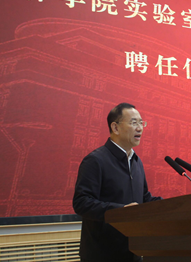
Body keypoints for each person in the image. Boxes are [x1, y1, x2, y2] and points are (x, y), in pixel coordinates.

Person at [73, 102, 161, 262]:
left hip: (133, 252)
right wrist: (120, 212)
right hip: (102, 255)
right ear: (115, 127)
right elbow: (81, 203)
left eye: (141, 123)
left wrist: (174, 205)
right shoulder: (95, 160)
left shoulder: (136, 161)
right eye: (134, 123)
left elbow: (144, 199)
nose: (140, 128)